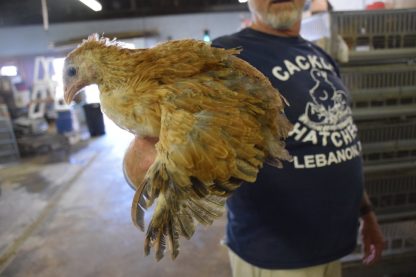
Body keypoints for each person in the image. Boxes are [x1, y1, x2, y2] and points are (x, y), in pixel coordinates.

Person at [124, 0, 385, 276]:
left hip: (333, 246)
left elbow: (341, 141)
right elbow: (154, 132)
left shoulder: (322, 56)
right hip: (275, 254)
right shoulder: (222, 56)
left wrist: (366, 213)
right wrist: (145, 156)